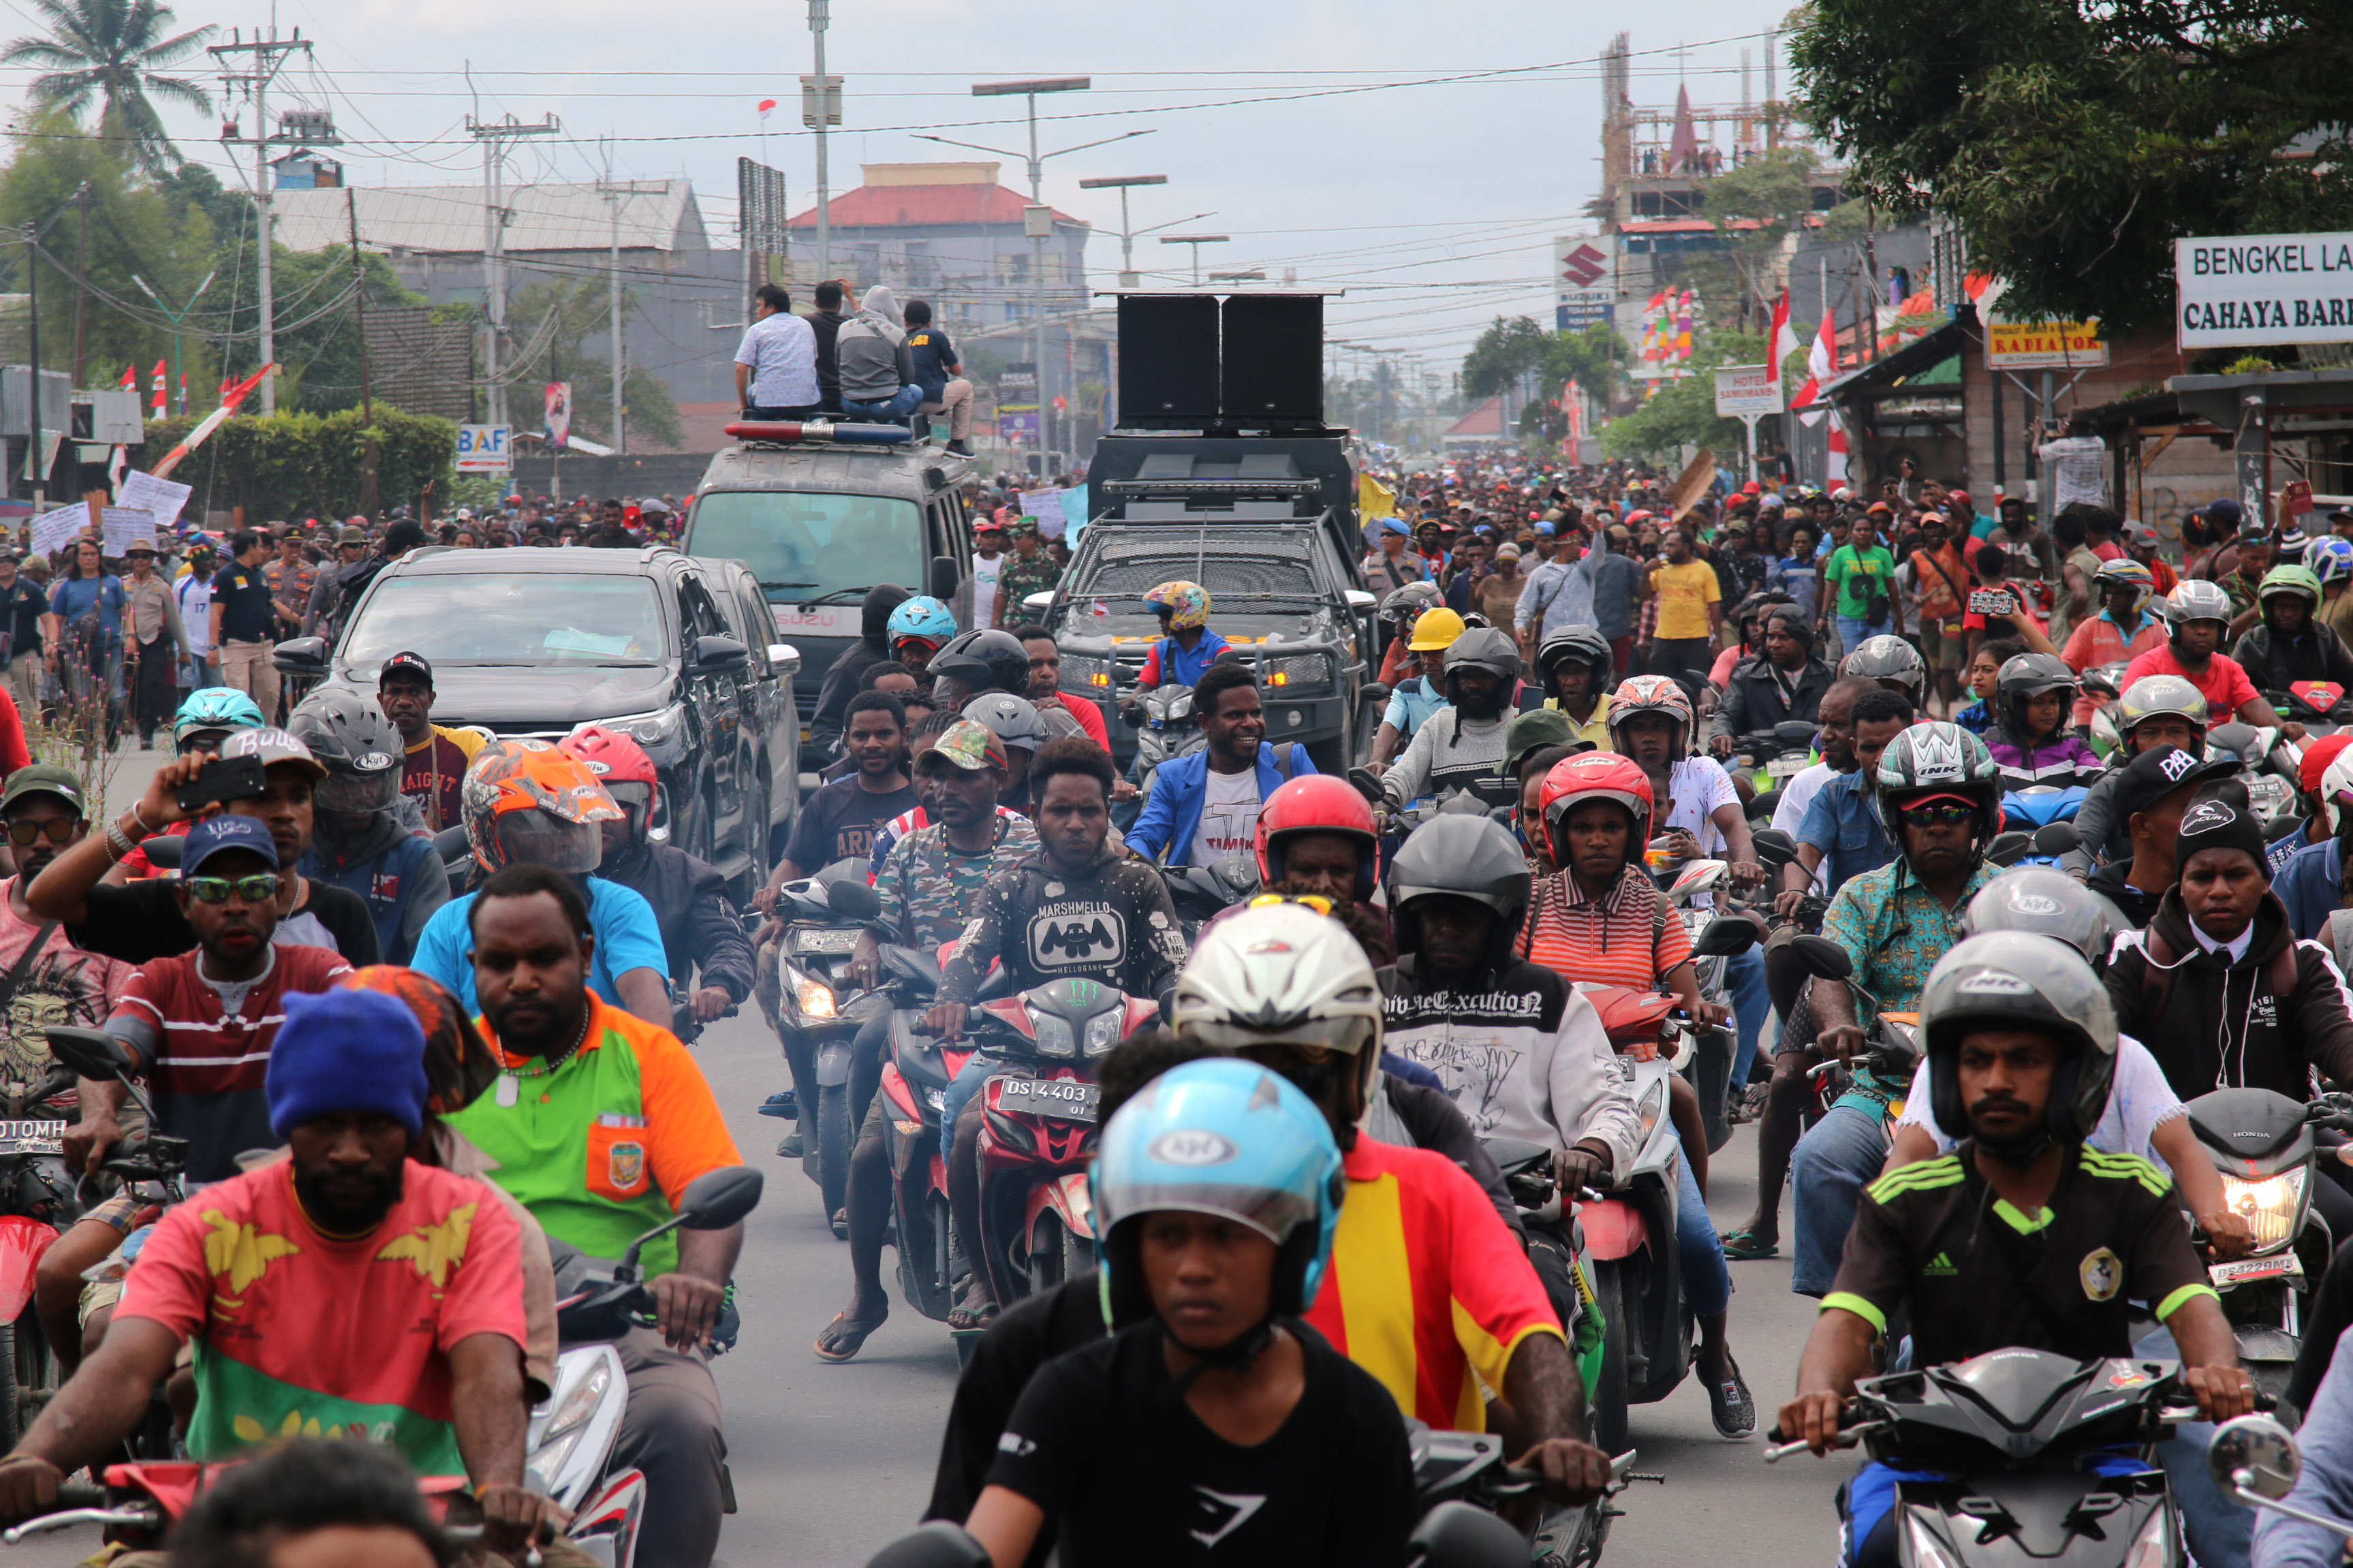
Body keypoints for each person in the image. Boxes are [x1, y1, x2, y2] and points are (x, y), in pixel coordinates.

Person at [0, 989, 553, 1552]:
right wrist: (37, 1456)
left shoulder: (474, 1223)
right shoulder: (208, 1226)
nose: (350, 1150)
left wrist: (499, 1488)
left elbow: (487, 1375)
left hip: (423, 1530)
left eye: (378, 1125)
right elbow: (123, 1365)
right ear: (288, 1123)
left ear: (413, 1125)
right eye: (325, 1124)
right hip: (237, 1536)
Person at [1777, 932, 2252, 1568]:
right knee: (1874, 1544)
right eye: (1975, 1061)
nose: (1996, 1080)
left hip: (2100, 1462)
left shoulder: (2130, 1191)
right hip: (1934, 1463)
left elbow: (2192, 1307)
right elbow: (1848, 1318)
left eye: (2024, 1060)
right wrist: (1818, 1392)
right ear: (1949, 1077)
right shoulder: (1905, 1199)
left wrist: (2215, 1370)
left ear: (2072, 1075)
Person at [1172, 905, 1609, 1464]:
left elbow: (1524, 1336)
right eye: (1244, 1072)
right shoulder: (1161, 1205)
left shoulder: (1434, 1195)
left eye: (1303, 1070)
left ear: (1357, 1076)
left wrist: (1558, 1438)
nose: (1271, 1097)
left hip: (1417, 1520)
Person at [955, 1058, 1418, 1568]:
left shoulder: (1356, 1419)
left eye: (1228, 1235)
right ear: (1131, 1253)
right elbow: (985, 1550)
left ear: (1292, 1248)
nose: (1194, 1268)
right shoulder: (1073, 1396)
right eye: (1168, 1236)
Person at [448, 864, 747, 1568]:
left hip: (623, 1328)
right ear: (474, 967)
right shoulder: (441, 1065)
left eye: (544, 958)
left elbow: (710, 1190)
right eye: (500, 962)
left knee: (681, 1424)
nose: (521, 978)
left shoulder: (649, 1056)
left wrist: (697, 1284)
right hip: (467, 1331)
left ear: (585, 954)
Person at [1486, 768, 1756, 1434]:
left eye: (1611, 826)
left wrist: (1698, 1010)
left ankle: (1717, 1359)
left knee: (1693, 1235)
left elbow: (1684, 988)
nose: (1597, 839)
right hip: (1548, 1086)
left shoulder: (1656, 909)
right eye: (1583, 826)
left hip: (1636, 1077)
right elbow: (1504, 984)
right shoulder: (1530, 906)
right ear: (1558, 834)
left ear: (1635, 830)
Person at [921, 739, 1187, 1334]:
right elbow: (968, 955)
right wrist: (949, 1002)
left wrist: (1186, 1003)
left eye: (1090, 811)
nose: (1076, 824)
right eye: (1060, 810)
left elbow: (1174, 963)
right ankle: (984, 1274)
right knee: (964, 1128)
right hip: (1026, 1061)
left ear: (1107, 813)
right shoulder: (1011, 888)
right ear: (1036, 810)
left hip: (1126, 1064)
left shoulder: (1140, 884)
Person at [1786, 722, 2006, 1299]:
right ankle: (1852, 1311)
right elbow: (1832, 975)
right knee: (1818, 1158)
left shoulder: (2012, 896)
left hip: (1998, 1085)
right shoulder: (1861, 896)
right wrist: (1838, 1025)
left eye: (1954, 811)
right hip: (1882, 1087)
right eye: (1921, 812)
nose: (1937, 824)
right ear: (1896, 819)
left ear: (1981, 816)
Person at [67, 815, 355, 1187]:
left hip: (297, 1210)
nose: (236, 905)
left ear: (277, 894)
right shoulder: (158, 982)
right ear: (184, 901)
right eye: (214, 890)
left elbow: (374, 1024)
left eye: (253, 888)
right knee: (65, 1249)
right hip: (178, 1211)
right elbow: (110, 1061)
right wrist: (97, 1114)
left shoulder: (320, 973)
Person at [27, 729, 380, 967]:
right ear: (216, 809)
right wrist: (142, 819)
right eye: (264, 797)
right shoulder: (175, 906)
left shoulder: (341, 913)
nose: (286, 813)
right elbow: (47, 899)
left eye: (299, 797)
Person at [2105, 778, 2353, 1109]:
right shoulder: (2139, 957)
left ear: (2266, 881)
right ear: (2180, 885)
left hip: (2286, 1151)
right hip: (2163, 1153)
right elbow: (2095, 1047)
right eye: (2202, 877)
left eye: (2237, 875)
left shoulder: (2305, 962)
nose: (2219, 890)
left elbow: (2340, 1037)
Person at [407, 739, 672, 1024]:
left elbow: (646, 999)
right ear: (490, 836)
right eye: (541, 829)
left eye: (571, 827)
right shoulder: (449, 926)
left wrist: (652, 1054)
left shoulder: (619, 908)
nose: (561, 844)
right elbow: (421, 1028)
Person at [560, 725, 753, 1030]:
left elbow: (726, 941)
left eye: (616, 801)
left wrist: (719, 986)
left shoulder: (687, 876)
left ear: (644, 808)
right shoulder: (527, 882)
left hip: (649, 1042)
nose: (598, 814)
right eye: (583, 800)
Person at [290, 689, 449, 966]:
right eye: (349, 785)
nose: (365, 795)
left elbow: (432, 967)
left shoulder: (417, 860)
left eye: (375, 783)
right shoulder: (282, 855)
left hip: (387, 1004)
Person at [1129, 662, 1315, 868]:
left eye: (1256, 713)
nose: (1251, 723)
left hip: (1275, 899)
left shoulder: (1291, 762)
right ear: (1205, 723)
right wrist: (1129, 862)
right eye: (1235, 715)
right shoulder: (1175, 778)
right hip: (1198, 900)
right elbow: (1146, 837)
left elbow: (1325, 829)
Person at [2084, 744, 2239, 928]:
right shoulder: (2094, 918)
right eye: (2190, 808)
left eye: (2210, 805)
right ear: (2141, 825)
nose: (2209, 817)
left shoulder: (2231, 901)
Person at [2123, 580, 2299, 737]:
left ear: (2222, 632)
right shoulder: (2147, 667)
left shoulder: (2228, 668)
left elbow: (2253, 705)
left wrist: (2281, 728)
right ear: (2175, 628)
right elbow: (2132, 719)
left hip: (2222, 758)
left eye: (2210, 625)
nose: (2202, 631)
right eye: (2193, 624)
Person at [1378, 626, 1519, 805]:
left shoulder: (1524, 726)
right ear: (1453, 682)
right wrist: (1383, 808)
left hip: (1510, 833)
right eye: (1466, 677)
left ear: (1505, 683)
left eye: (1484, 677)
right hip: (1447, 832)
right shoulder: (1440, 725)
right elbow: (1403, 776)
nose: (1474, 685)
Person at [374, 650, 486, 834]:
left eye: (415, 692)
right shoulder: (367, 752)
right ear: (381, 700)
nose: (404, 701)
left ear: (431, 699)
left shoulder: (468, 746)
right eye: (395, 692)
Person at [1709, 603, 1833, 754]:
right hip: (1759, 762)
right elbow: (1726, 713)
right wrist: (1721, 734)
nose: (1774, 644)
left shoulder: (1830, 675)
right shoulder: (1746, 677)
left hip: (1818, 762)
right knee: (1732, 776)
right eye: (1770, 637)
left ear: (1803, 640)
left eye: (1783, 637)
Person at [1984, 651, 2103, 789]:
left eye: (2054, 702)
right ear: (2014, 705)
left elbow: (2100, 783)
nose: (2049, 710)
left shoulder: (2074, 744)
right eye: (2039, 702)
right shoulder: (1986, 747)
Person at [2059, 559, 2166, 706]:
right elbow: (2067, 667)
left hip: (2141, 707)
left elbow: (2167, 667)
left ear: (2137, 595)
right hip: (2094, 707)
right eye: (2108, 593)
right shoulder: (2090, 626)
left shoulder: (2156, 628)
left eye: (2117, 594)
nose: (2110, 599)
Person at [1367, 607, 1461, 770]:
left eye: (1436, 653)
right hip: (1416, 777)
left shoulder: (1473, 691)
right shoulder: (1406, 692)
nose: (1428, 661)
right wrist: (1376, 761)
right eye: (1424, 654)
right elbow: (1390, 726)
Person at [2234, 563, 2353, 691]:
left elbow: (2349, 678)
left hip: (2322, 711)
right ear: (2269, 608)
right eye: (2281, 606)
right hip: (2266, 711)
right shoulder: (2253, 641)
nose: (2288, 614)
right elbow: (2234, 686)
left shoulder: (2326, 638)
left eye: (2295, 607)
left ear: (2308, 609)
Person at [120, 537, 188, 749]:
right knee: (134, 688)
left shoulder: (161, 587)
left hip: (154, 642)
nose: (140, 560)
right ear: (131, 559)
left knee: (152, 685)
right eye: (136, 556)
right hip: (128, 644)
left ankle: (147, 731)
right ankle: (139, 721)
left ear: (152, 559)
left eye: (145, 556)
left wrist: (184, 649)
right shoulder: (122, 585)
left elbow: (175, 619)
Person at [1512, 518, 1613, 660]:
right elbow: (1526, 603)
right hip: (1553, 638)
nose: (1580, 548)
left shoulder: (1584, 569)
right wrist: (1520, 625)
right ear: (1566, 546)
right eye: (1577, 545)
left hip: (1585, 638)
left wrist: (1598, 531)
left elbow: (1598, 552)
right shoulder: (1541, 573)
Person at [1903, 511, 1972, 712]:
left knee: (1947, 664)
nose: (1933, 531)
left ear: (1944, 529)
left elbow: (1967, 520)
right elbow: (1908, 586)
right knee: (1933, 666)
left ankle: (1944, 709)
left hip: (1953, 616)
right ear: (1923, 532)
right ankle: (1925, 707)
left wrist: (1947, 499)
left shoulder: (1954, 547)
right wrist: (1913, 597)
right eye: (1928, 527)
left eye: (1937, 527)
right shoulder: (1917, 558)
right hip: (1929, 620)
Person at [208, 530, 281, 717]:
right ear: (251, 547)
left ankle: (266, 732)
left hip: (264, 644)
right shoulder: (225, 575)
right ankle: (239, 735)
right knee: (238, 696)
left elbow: (273, 603)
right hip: (236, 645)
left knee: (271, 693)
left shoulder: (260, 574)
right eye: (260, 547)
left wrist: (298, 618)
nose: (263, 551)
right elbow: (216, 613)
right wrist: (213, 646)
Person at [1645, 527, 1724, 682]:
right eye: (1666, 545)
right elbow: (1645, 596)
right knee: (1661, 685)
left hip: (1696, 638)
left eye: (1672, 545)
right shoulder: (1662, 568)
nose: (1667, 549)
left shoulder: (1704, 569)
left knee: (1695, 686)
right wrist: (1645, 572)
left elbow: (1714, 605)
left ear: (1686, 547)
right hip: (1664, 637)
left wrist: (1718, 640)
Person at [835, 284, 923, 422]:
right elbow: (908, 378)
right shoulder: (897, 334)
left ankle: (860, 426)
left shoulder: (844, 329)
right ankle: (901, 434)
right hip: (886, 406)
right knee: (916, 392)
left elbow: (838, 365)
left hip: (850, 404)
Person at [1011, 623, 1108, 749]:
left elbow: (1103, 767)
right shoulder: (997, 708)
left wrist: (1066, 723)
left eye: (1053, 664)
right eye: (1034, 664)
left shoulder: (1083, 710)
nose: (1047, 672)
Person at [733, 281, 822, 419]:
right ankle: (816, 421)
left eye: (759, 306)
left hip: (767, 404)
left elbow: (741, 368)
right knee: (814, 375)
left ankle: (759, 434)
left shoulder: (757, 330)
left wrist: (743, 403)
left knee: (753, 394)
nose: (757, 311)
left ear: (771, 308)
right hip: (805, 404)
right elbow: (814, 359)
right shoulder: (806, 325)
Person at [1127, 580, 1229, 697]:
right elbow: (1145, 685)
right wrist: (1133, 698)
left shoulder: (1217, 648)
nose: (1160, 621)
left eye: (1165, 615)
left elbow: (1231, 687)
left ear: (1188, 614)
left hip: (1208, 713)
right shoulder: (1160, 649)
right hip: (1169, 713)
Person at [1821, 510, 1901, 659]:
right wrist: (1824, 615)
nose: (1863, 533)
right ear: (1851, 533)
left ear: (1873, 532)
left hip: (1879, 616)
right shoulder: (1841, 554)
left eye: (1867, 530)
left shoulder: (1883, 554)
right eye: (1858, 530)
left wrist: (1899, 618)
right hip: (1849, 617)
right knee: (1854, 661)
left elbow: (1892, 586)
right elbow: (1831, 586)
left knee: (1879, 661)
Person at [903, 298, 972, 454]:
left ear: (906, 322)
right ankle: (956, 443)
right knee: (966, 387)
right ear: (930, 322)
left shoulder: (900, 340)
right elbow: (956, 371)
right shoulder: (935, 335)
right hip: (929, 400)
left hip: (903, 404)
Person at [1531, 623, 1616, 751]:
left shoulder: (1616, 712)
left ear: (1597, 676)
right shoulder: (1542, 714)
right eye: (1564, 672)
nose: (1570, 682)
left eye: (1581, 672)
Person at [994, 521, 1062, 633]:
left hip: (1043, 624)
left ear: (1032, 540)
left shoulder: (1050, 563)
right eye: (1014, 539)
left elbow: (1062, 591)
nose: (1015, 542)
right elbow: (1002, 595)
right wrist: (999, 622)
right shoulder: (1009, 563)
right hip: (1015, 624)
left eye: (1019, 539)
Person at [0, 548, 44, 718]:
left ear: (15, 564)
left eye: (7, 560)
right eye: (0, 561)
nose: (3, 564)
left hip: (26, 655)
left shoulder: (31, 589)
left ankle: (32, 745)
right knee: (2, 707)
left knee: (30, 707)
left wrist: (51, 643)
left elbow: (48, 619)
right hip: (0, 658)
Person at [807, 278, 852, 411]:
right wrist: (850, 295)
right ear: (840, 304)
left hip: (814, 394)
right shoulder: (850, 324)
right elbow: (866, 321)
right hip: (845, 394)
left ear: (816, 302)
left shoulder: (806, 323)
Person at [967, 516, 1009, 632]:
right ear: (979, 539)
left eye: (995, 537)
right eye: (987, 537)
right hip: (977, 623)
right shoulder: (971, 562)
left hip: (1001, 622)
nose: (991, 540)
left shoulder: (1007, 562)